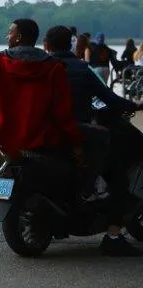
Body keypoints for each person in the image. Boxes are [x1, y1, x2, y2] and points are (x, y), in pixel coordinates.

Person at [43, 25, 143, 256]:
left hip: (40, 135)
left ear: (46, 45)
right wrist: (135, 105)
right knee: (117, 178)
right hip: (75, 135)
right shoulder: (80, 69)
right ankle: (113, 236)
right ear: (71, 44)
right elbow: (109, 99)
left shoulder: (38, 68)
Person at [0, 18, 83, 163]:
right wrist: (75, 141)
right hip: (41, 136)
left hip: (4, 131)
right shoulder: (54, 67)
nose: (7, 36)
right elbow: (62, 108)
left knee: (8, 173)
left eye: (10, 33)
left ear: (19, 37)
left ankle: (8, 177)